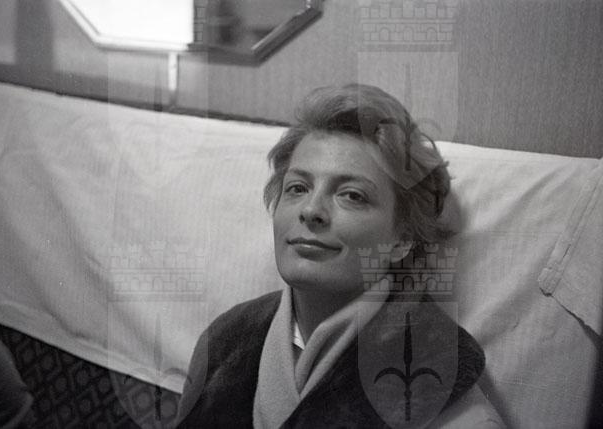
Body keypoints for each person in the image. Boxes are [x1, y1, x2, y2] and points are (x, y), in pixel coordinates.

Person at [176, 84, 504, 428]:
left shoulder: (447, 398)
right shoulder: (223, 343)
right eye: (297, 188)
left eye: (351, 195)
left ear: (403, 239)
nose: (311, 210)